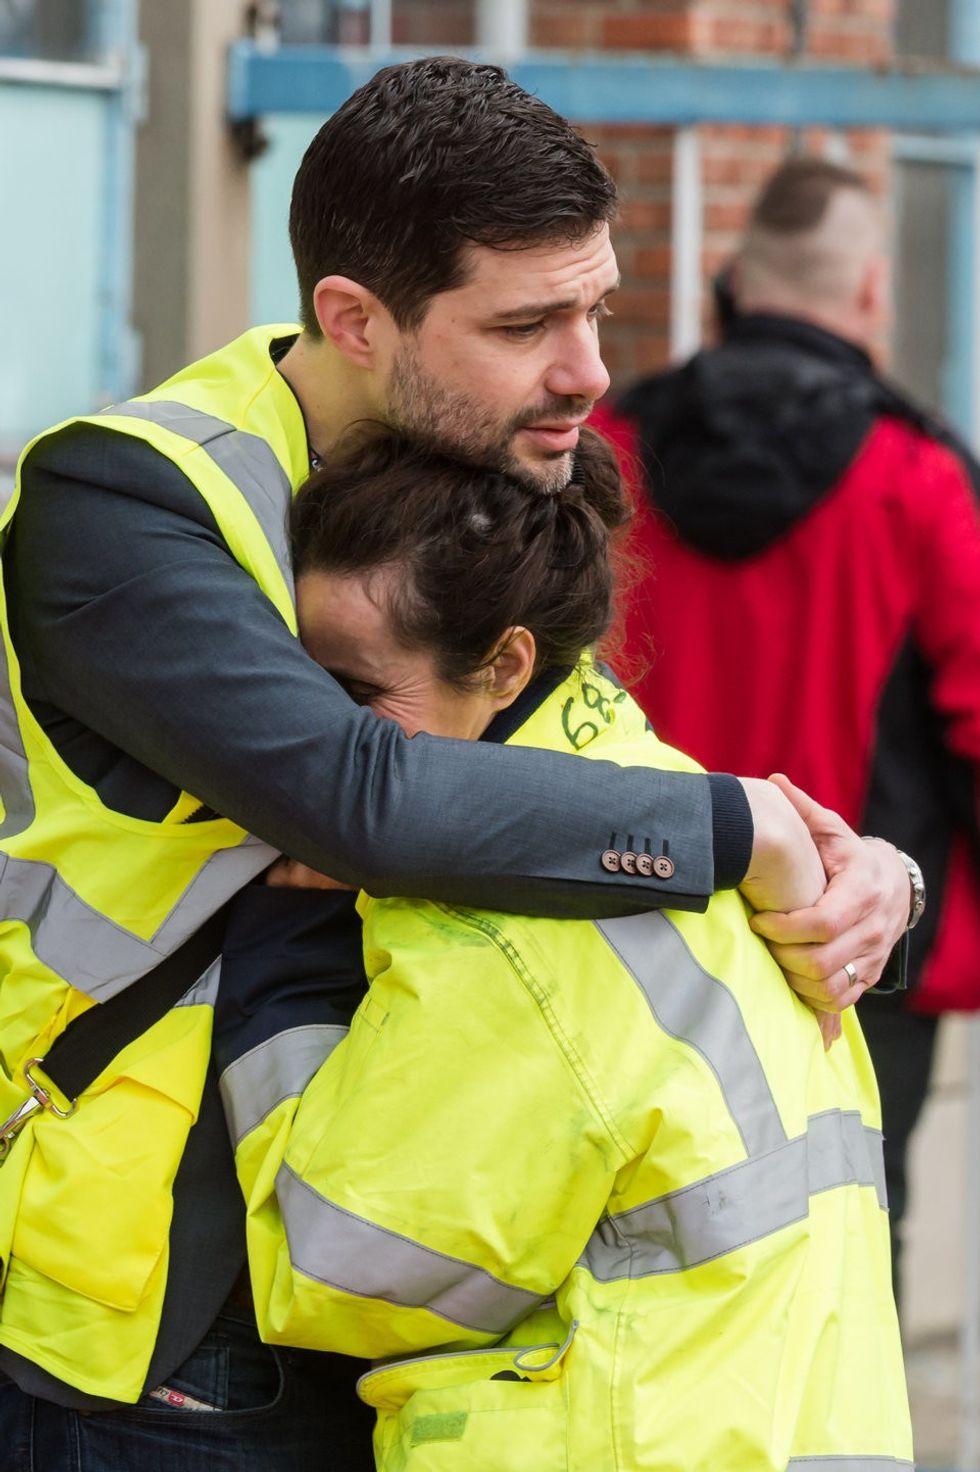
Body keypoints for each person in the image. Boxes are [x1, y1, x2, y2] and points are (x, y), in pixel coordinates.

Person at [0, 63, 914, 1466]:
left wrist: (864, 875)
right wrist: (738, 830)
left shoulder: (483, 467)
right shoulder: (120, 507)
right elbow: (363, 798)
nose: (591, 370)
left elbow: (576, 769)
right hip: (150, 1319)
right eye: (528, 322)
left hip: (409, 1298)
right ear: (354, 321)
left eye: (596, 308)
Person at [211, 426, 912, 1471]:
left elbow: (340, 1271)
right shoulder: (673, 815)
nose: (319, 747)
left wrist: (284, 950)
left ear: (504, 663)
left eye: (359, 698)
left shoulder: (503, 935)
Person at [593, 155, 980, 1305]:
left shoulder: (606, 450)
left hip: (618, 924)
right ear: (868, 291)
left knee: (618, 1253)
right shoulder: (918, 479)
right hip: (855, 948)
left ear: (726, 285)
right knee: (851, 1249)